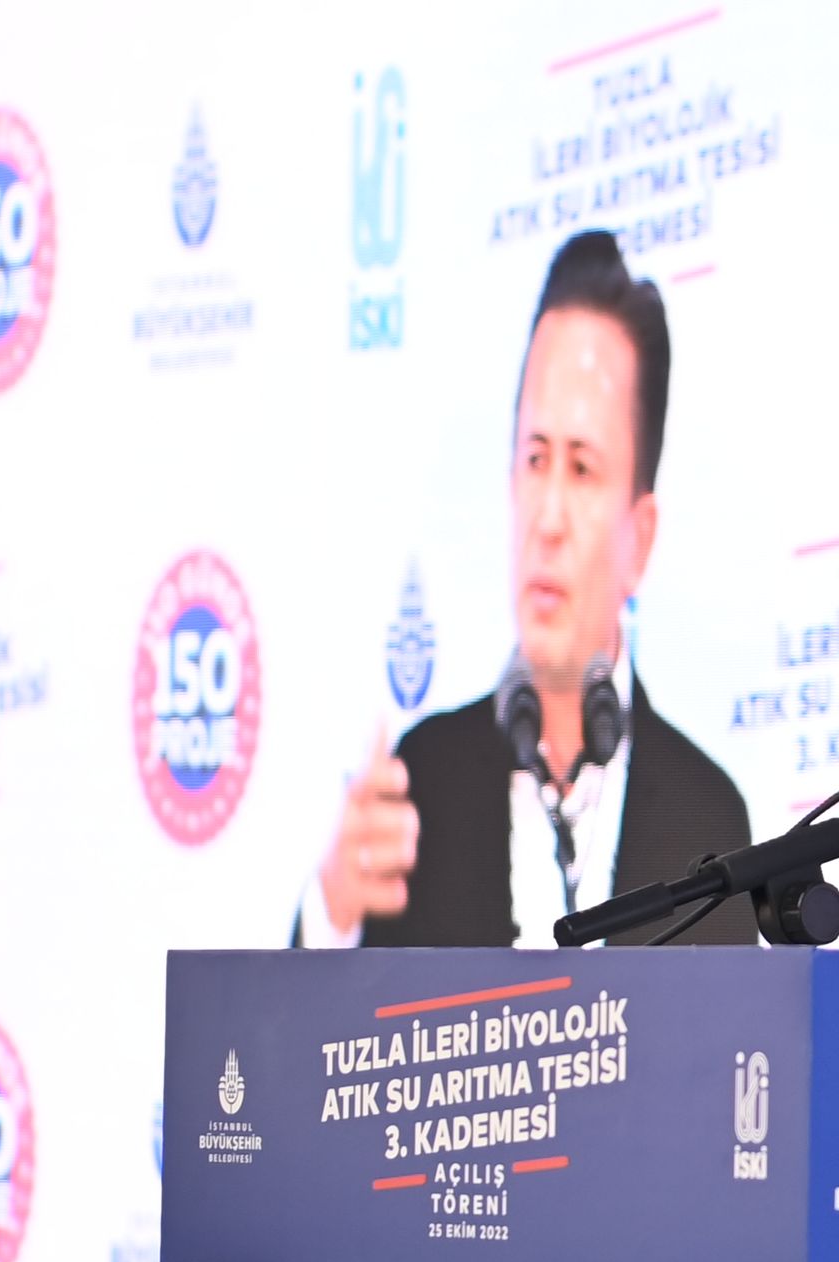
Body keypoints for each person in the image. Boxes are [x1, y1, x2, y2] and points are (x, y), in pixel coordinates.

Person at [299, 230, 753, 949]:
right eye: (535, 460)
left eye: (582, 469)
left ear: (640, 538)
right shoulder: (423, 786)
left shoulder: (707, 819)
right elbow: (326, 1021)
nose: (548, 518)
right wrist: (332, 913)